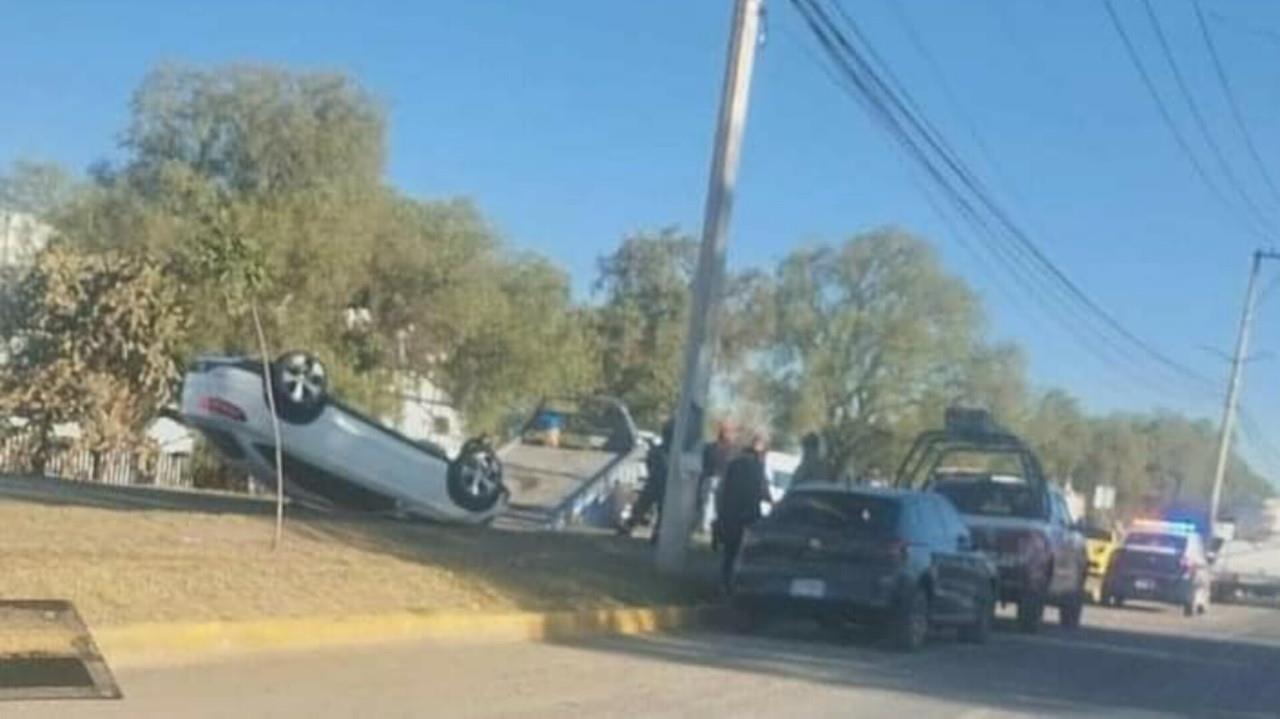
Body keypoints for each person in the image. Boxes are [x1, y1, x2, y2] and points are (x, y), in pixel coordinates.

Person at [715, 433, 773, 592]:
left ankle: (725, 583)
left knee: (729, 552)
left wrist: (719, 513)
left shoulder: (732, 465)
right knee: (746, 553)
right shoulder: (758, 468)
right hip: (749, 516)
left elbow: (720, 491)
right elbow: (764, 492)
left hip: (730, 516)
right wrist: (775, 505)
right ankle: (740, 584)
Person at [619, 419, 674, 539]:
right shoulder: (667, 451)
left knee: (647, 506)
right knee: (652, 507)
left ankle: (634, 526)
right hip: (662, 483)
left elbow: (649, 463)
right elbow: (650, 463)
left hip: (656, 481)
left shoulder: (659, 450)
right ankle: (654, 531)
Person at [697, 421, 736, 535]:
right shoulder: (728, 449)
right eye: (728, 432)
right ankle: (707, 526)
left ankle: (708, 526)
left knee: (711, 504)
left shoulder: (713, 447)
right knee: (710, 504)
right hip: (715, 479)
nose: (729, 435)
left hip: (717, 479)